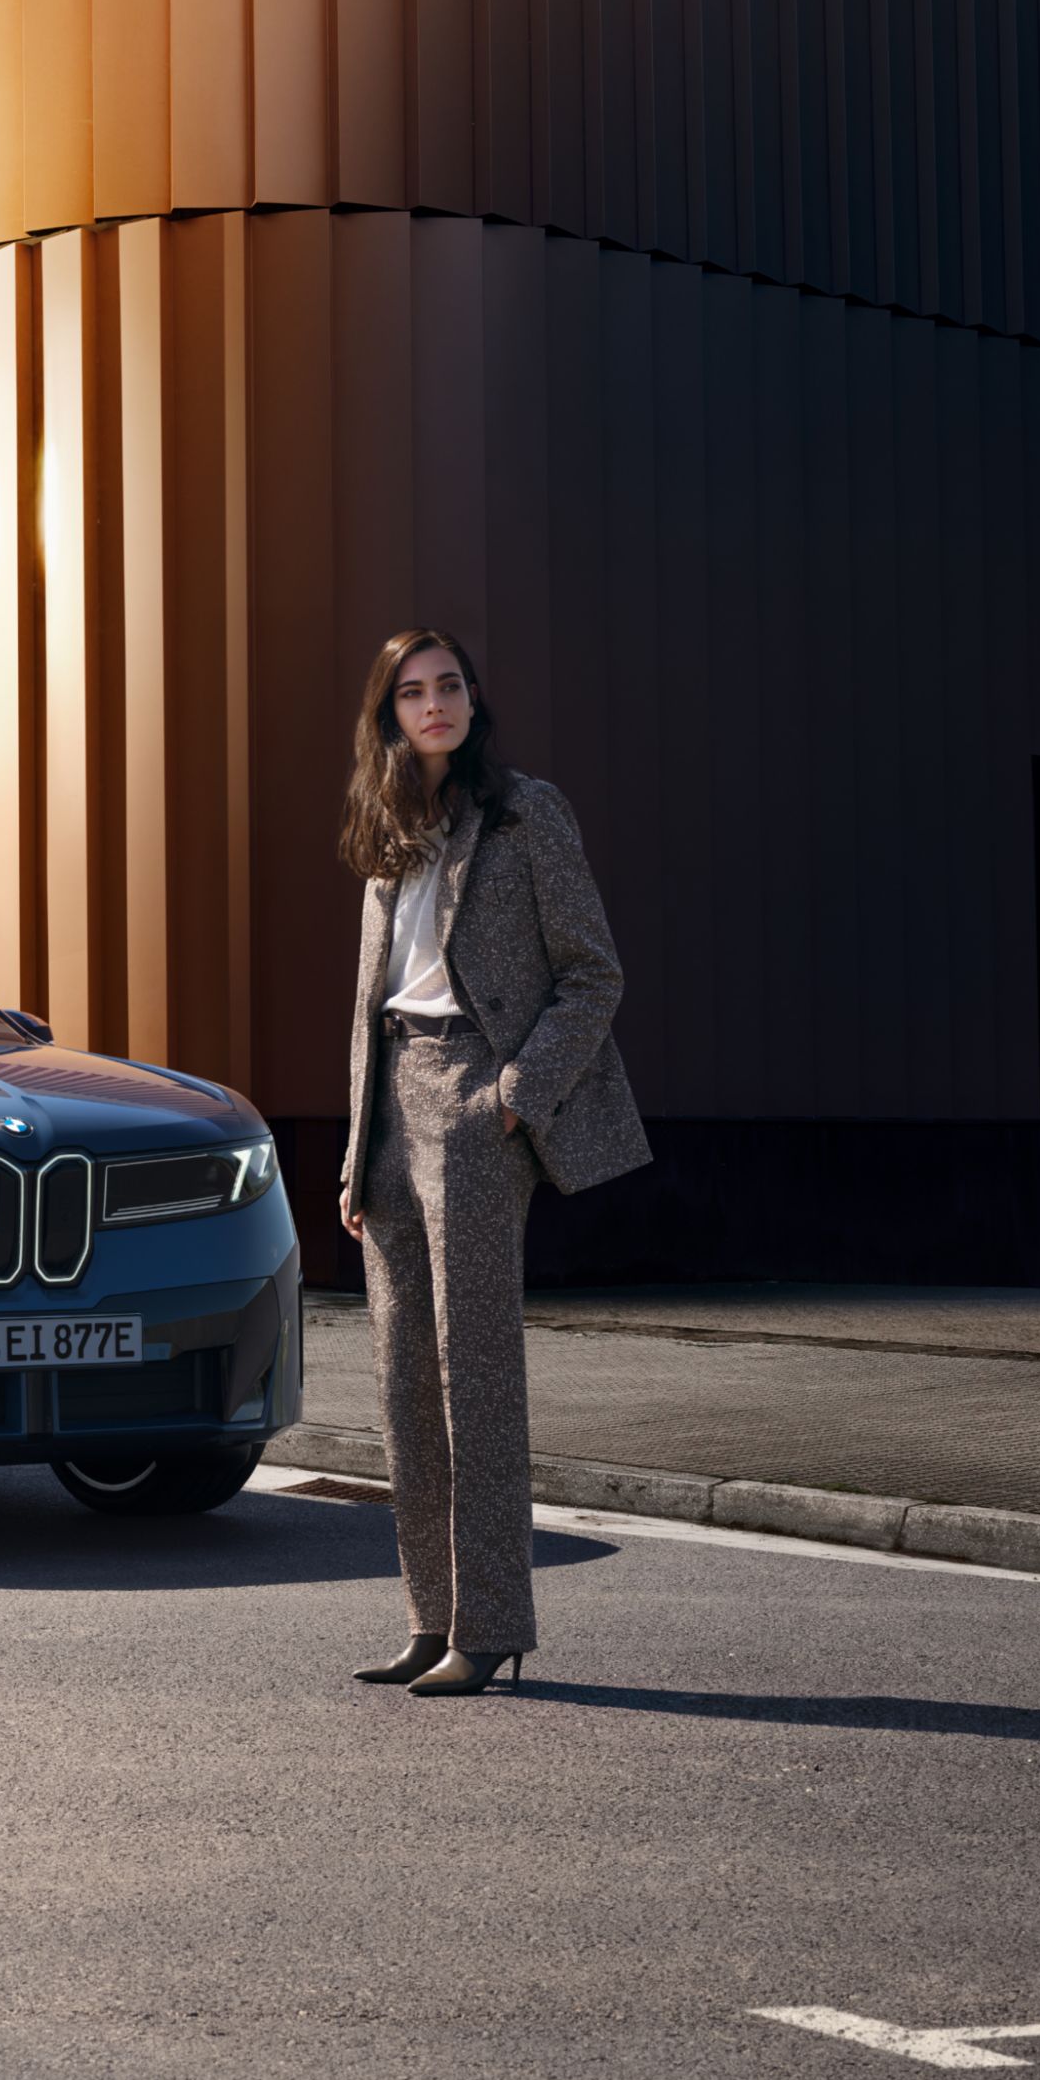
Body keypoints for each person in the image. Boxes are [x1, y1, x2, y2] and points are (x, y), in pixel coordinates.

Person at [335, 630, 650, 1695]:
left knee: (474, 1377)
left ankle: (493, 1623)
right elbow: (367, 1001)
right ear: (388, 714)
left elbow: (593, 974)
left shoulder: (526, 812)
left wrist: (516, 1095)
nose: (434, 705)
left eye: (449, 686)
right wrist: (354, 1152)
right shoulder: (388, 827)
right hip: (392, 1104)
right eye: (411, 692)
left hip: (476, 1095)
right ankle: (431, 1619)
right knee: (401, 1385)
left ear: (473, 699)